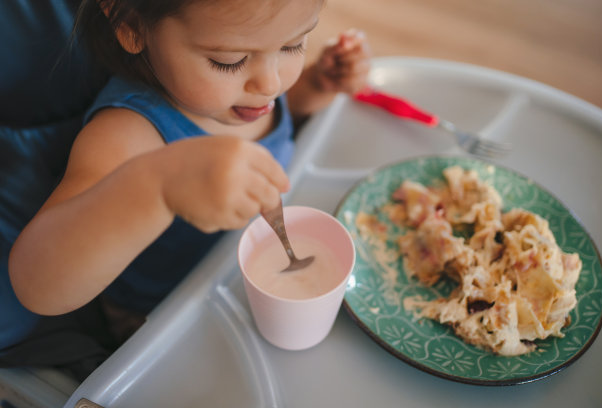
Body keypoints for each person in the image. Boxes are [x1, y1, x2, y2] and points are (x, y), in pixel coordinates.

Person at [3, 0, 370, 379]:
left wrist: (313, 87)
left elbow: (272, 124)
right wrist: (159, 186)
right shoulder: (127, 134)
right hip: (164, 318)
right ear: (130, 26)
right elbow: (39, 286)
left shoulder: (242, 91)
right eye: (229, 61)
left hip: (243, 286)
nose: (271, 84)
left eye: (293, 45)